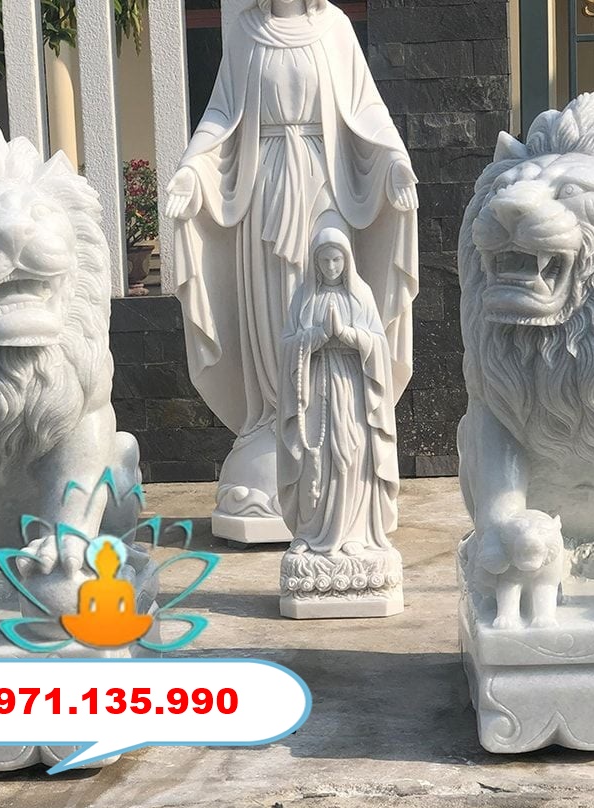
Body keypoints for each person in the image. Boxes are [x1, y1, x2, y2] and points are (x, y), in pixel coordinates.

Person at [167, 0, 417, 528]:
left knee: (327, 284)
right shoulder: (246, 31)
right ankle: (273, 419)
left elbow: (366, 108)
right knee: (272, 302)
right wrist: (191, 169)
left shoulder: (334, 27)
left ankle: (330, 420)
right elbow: (221, 113)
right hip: (263, 186)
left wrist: (394, 159)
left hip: (324, 182)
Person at [277, 226, 398, 554]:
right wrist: (315, 337)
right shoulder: (303, 298)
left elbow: (379, 343)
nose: (331, 267)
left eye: (337, 260)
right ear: (315, 263)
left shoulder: (361, 295)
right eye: (325, 260)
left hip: (351, 385)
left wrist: (348, 336)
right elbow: (286, 344)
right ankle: (308, 532)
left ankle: (354, 532)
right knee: (313, 456)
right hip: (314, 383)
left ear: (347, 261)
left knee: (351, 453)